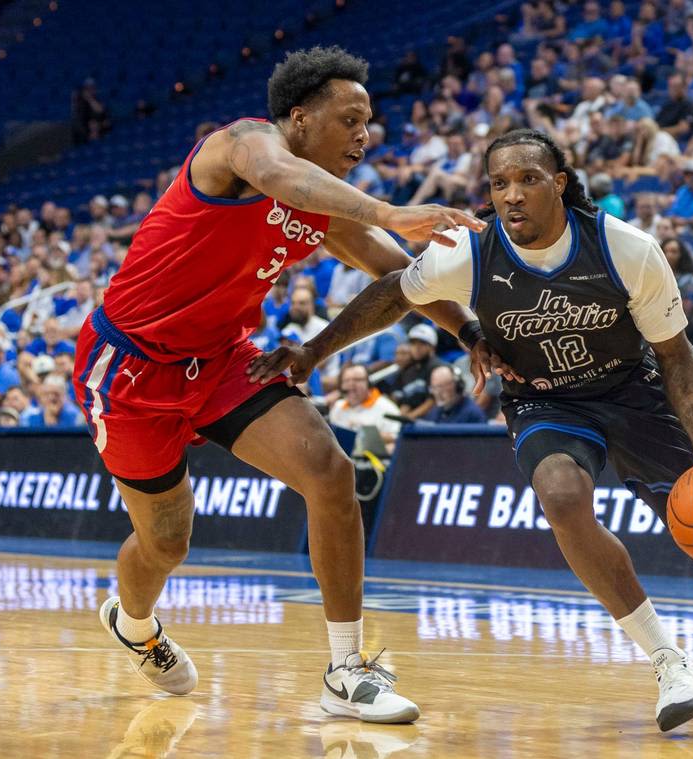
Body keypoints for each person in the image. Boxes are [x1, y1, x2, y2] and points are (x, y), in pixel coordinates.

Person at [252, 129, 693, 731]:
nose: (511, 195)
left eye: (527, 179)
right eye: (498, 184)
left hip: (631, 392)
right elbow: (395, 293)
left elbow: (679, 358)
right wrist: (314, 352)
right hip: (543, 401)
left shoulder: (624, 248)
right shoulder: (470, 251)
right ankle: (669, 660)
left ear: (558, 183)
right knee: (561, 495)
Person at [73, 46, 487, 722]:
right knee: (168, 541)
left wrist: (469, 332)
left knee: (329, 470)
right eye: (350, 119)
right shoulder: (242, 144)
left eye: (370, 122)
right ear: (299, 117)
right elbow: (278, 175)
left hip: (223, 359)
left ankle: (346, 671)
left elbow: (402, 275)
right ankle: (135, 622)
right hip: (131, 369)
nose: (364, 134)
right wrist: (386, 210)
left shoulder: (329, 206)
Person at [327, 363, 402, 449]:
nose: (351, 384)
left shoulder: (387, 408)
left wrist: (365, 435)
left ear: (368, 383)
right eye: (346, 380)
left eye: (357, 380)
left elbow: (397, 439)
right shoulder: (337, 407)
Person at [422, 365, 487, 424]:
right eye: (434, 388)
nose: (437, 393)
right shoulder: (434, 412)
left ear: (457, 387)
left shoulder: (473, 414)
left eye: (442, 388)